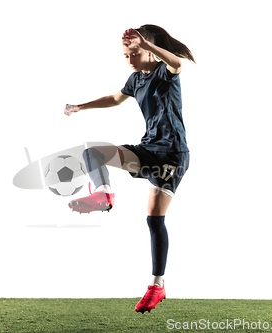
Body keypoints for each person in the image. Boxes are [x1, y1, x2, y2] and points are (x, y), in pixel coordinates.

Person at [64, 24, 195, 314]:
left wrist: (147, 46)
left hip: (171, 156)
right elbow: (115, 99)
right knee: (93, 152)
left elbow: (178, 63)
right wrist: (80, 106)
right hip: (148, 149)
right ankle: (104, 194)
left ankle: (156, 285)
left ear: (148, 49)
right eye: (126, 55)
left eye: (134, 52)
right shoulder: (135, 80)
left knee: (154, 220)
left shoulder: (165, 72)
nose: (130, 59)